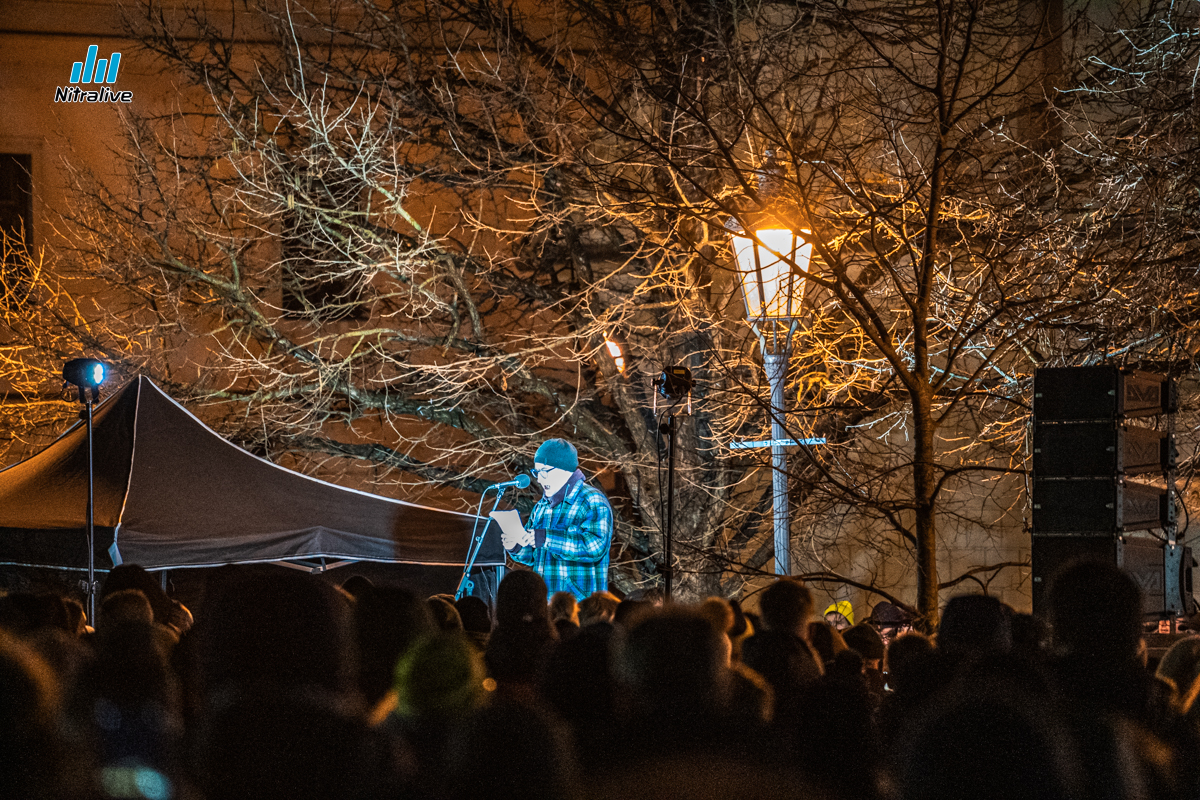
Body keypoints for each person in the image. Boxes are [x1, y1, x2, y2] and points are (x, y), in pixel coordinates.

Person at [500, 438, 614, 600]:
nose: (539, 479)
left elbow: (594, 547)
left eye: (544, 471)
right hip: (546, 604)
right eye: (537, 473)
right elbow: (532, 556)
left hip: (580, 607)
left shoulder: (591, 500)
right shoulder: (542, 507)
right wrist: (516, 546)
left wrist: (546, 537)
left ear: (564, 469)